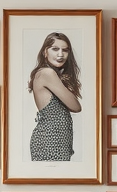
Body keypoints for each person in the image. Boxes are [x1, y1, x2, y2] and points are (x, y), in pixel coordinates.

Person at [28, 32, 82, 162]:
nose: (60, 54)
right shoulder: (48, 73)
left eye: (65, 50)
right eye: (55, 49)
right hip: (50, 140)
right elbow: (76, 106)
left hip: (57, 140)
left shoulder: (48, 73)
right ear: (45, 52)